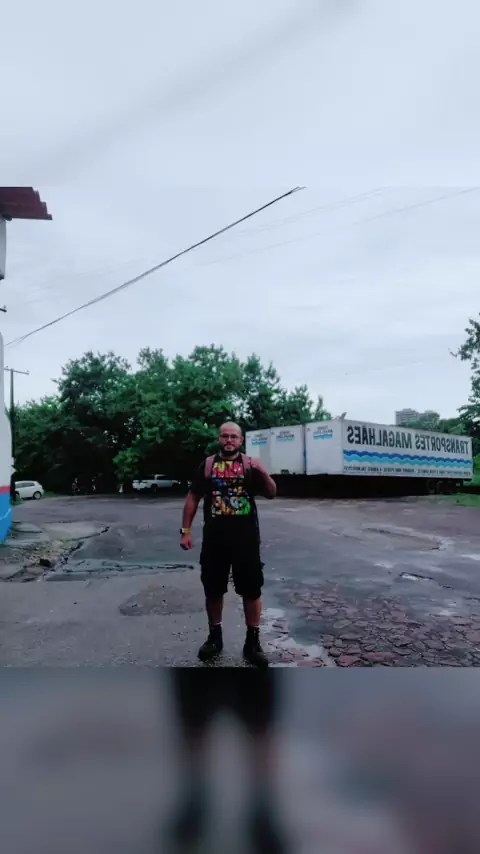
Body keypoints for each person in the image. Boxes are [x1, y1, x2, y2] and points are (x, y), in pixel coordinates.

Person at [180, 421, 276, 667]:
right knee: (213, 589)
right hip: (215, 539)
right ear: (219, 438)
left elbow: (272, 493)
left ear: (241, 440)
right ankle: (215, 638)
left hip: (246, 539)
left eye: (234, 436)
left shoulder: (249, 465)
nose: (229, 440)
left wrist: (262, 471)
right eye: (225, 436)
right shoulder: (208, 465)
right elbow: (193, 497)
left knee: (251, 589)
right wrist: (186, 530)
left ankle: (252, 642)